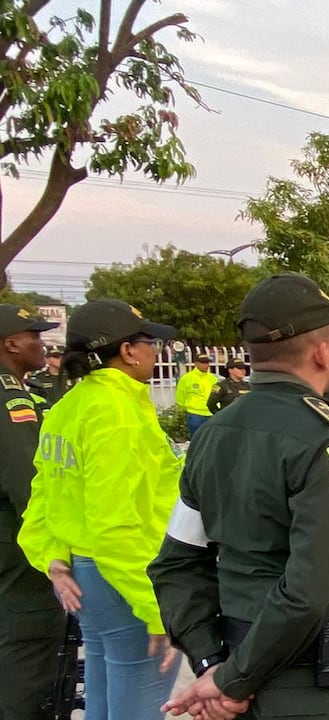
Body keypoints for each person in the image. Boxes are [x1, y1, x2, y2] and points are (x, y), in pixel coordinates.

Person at [149, 273, 329, 720]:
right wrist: (229, 681)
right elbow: (309, 591)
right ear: (322, 351)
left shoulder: (213, 435)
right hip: (316, 688)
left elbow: (178, 561)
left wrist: (213, 666)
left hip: (242, 667)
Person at [18, 299, 182, 719]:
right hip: (125, 575)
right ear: (128, 351)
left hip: (84, 572)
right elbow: (117, 524)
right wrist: (155, 610)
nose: (154, 352)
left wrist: (52, 558)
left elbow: (47, 492)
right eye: (149, 342)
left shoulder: (68, 407)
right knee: (141, 700)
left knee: (107, 695)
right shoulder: (117, 413)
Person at [0, 305, 63, 720]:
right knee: (27, 648)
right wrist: (53, 551)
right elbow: (27, 481)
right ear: (10, 343)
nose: (42, 344)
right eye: (34, 335)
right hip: (17, 547)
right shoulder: (12, 399)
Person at [175, 352, 218, 438]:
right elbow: (180, 398)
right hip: (195, 414)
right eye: (203, 362)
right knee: (196, 440)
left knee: (211, 439)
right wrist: (190, 407)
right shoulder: (187, 378)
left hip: (211, 413)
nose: (206, 365)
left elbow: (217, 395)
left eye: (207, 362)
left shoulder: (213, 378)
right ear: (196, 363)